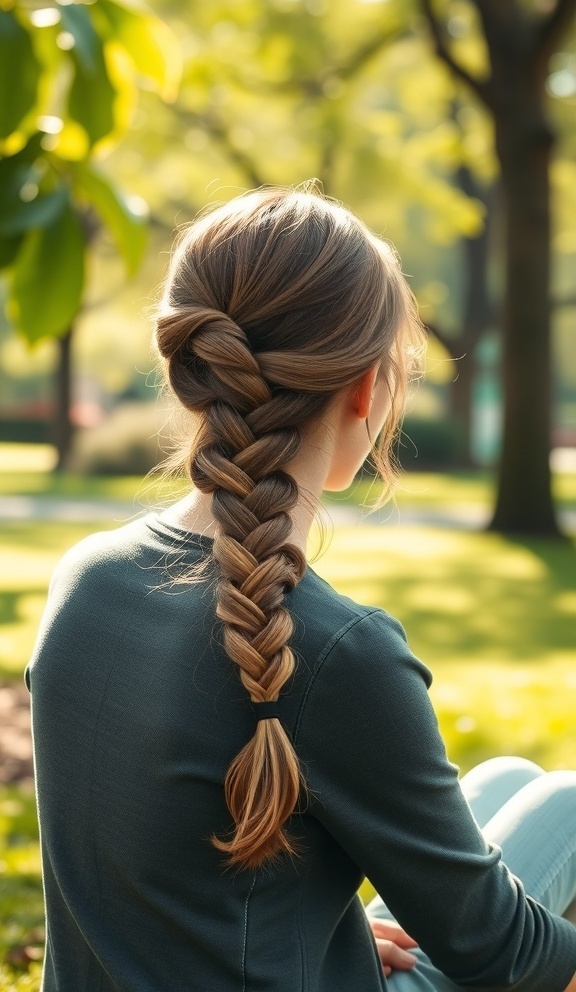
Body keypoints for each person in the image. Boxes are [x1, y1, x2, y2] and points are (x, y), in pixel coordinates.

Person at [27, 186, 576, 992]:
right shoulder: (337, 653)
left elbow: (161, 857)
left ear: (191, 373)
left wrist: (343, 935)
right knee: (564, 804)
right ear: (364, 388)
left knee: (507, 784)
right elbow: (504, 954)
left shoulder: (84, 580)